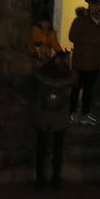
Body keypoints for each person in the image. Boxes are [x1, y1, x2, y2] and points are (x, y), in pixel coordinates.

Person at [31, 52, 75, 190]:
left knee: (41, 150)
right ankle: (55, 180)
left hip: (43, 117)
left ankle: (40, 180)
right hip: (60, 118)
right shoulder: (68, 76)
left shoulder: (42, 73)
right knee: (57, 150)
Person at [69, 0, 100, 123]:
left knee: (89, 90)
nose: (91, 7)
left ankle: (86, 113)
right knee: (76, 88)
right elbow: (72, 37)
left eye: (94, 4)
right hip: (80, 61)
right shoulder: (80, 21)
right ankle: (72, 112)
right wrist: (90, 41)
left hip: (94, 63)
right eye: (90, 4)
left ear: (99, 6)